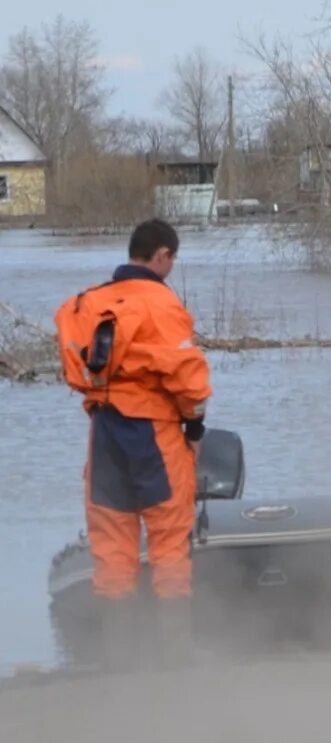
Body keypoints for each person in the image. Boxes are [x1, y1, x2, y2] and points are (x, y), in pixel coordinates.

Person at [52, 218, 212, 670]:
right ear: (162, 256)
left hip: (103, 431)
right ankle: (175, 655)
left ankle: (118, 660)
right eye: (172, 259)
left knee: (111, 547)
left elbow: (72, 360)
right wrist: (195, 431)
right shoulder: (160, 303)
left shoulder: (90, 302)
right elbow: (189, 380)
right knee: (168, 541)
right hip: (153, 432)